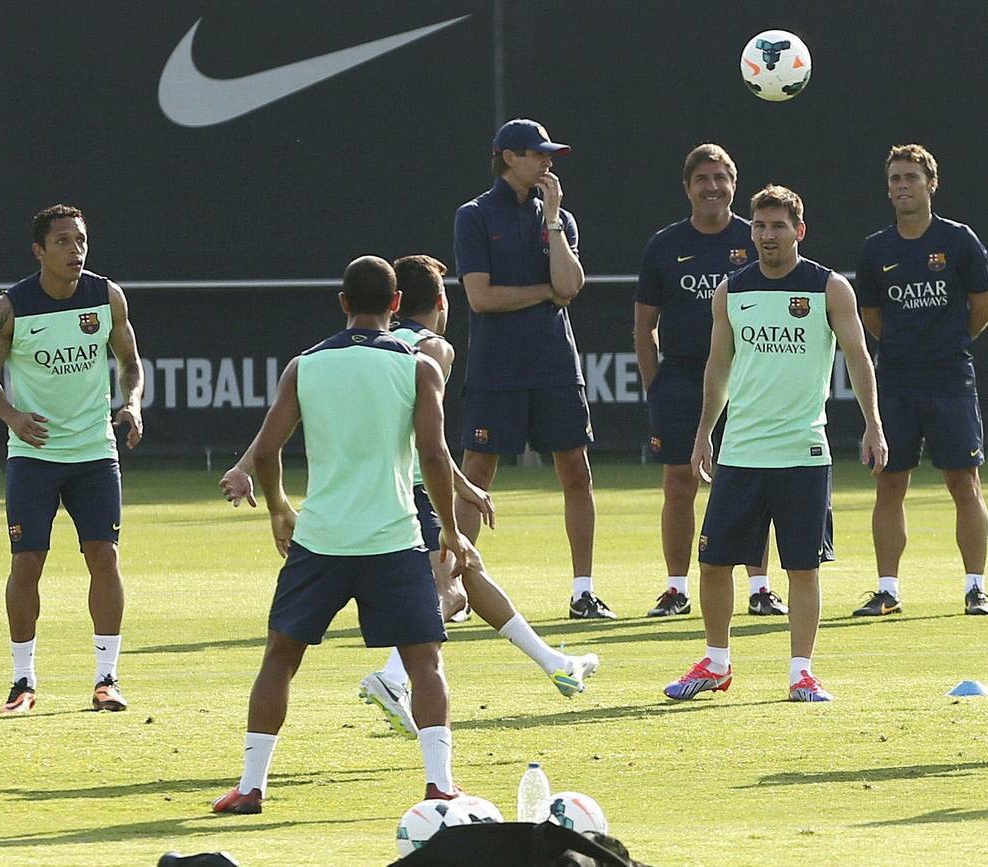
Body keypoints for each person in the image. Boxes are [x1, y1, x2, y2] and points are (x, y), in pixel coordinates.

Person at [221, 255, 600, 736]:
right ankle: (393, 677)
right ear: (440, 302)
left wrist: (242, 464)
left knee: (468, 569)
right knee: (449, 591)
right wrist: (458, 488)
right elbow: (430, 445)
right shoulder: (430, 351)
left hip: (397, 489)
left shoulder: (354, 350)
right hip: (409, 494)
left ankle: (555, 664)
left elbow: (286, 415)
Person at [212, 257, 472, 814]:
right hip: (394, 539)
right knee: (424, 661)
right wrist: (451, 529)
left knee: (280, 659)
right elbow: (434, 454)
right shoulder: (419, 367)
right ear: (397, 304)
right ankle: (440, 784)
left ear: (342, 302)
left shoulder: (305, 367)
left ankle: (252, 786)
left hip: (322, 540)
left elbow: (267, 449)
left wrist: (280, 508)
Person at [662, 185, 888, 703]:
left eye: (778, 226)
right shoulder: (730, 291)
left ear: (799, 232)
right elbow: (718, 367)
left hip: (803, 453)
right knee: (715, 563)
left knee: (802, 567)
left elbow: (858, 358)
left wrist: (873, 424)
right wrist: (703, 433)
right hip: (741, 452)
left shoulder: (829, 288)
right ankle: (716, 663)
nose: (767, 235)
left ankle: (802, 672)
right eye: (760, 226)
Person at [0, 204, 144, 714]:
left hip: (94, 452)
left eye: (81, 240)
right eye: (63, 241)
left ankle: (106, 679)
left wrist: (131, 403)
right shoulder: (10, 307)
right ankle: (22, 681)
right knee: (27, 562)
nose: (75, 250)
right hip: (35, 455)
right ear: (39, 250)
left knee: (104, 558)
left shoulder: (106, 296)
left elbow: (131, 364)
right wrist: (13, 417)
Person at [453, 118, 611, 620]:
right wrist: (545, 294)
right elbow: (481, 298)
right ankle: (452, 588)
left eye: (549, 155)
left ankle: (583, 592)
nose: (547, 163)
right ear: (508, 157)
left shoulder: (558, 218)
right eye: (538, 154)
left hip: (554, 364)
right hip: (497, 366)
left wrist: (554, 219)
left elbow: (571, 285)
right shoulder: (474, 215)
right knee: (477, 472)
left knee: (576, 472)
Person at [634, 143, 784, 618]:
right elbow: (644, 324)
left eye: (721, 178)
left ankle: (760, 587)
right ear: (687, 187)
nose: (712, 187)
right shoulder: (664, 245)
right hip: (681, 381)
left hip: (747, 381)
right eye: (703, 179)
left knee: (751, 483)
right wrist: (654, 385)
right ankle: (677, 588)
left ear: (734, 185)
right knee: (680, 483)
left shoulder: (756, 237)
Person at [854, 144, 988, 618]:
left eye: (911, 177)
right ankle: (888, 589)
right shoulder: (877, 248)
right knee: (889, 482)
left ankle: (976, 587)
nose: (901, 186)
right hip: (895, 380)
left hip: (950, 378)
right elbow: (871, 315)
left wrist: (947, 343)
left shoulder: (959, 241)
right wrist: (905, 347)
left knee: (964, 481)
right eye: (895, 178)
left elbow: (984, 307)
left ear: (931, 184)